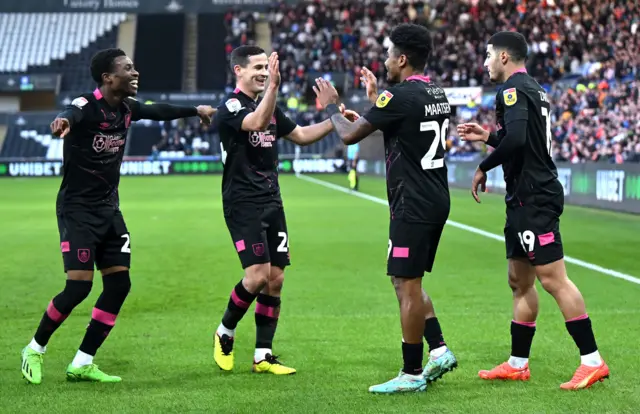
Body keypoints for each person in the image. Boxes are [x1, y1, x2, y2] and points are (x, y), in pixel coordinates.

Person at [20, 48, 216, 384]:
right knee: (78, 286)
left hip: (109, 209)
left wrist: (194, 110)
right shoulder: (87, 105)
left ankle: (82, 361)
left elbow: (159, 111)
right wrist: (62, 121)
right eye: (127, 68)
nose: (135, 72)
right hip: (77, 210)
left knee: (119, 284)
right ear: (108, 78)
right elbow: (72, 113)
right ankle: (34, 349)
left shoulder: (126, 108)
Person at [458, 31, 609, 390]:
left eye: (489, 55)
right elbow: (523, 141)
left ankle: (592, 361)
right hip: (523, 197)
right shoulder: (535, 90)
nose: (485, 62)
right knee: (519, 280)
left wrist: (484, 164)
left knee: (554, 278)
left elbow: (519, 140)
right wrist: (489, 136)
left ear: (505, 57)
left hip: (534, 196)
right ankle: (517, 363)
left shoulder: (511, 90)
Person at [313, 23, 457, 394]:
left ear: (403, 58)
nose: (386, 60)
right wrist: (376, 98)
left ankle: (410, 374)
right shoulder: (434, 92)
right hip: (434, 196)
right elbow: (395, 125)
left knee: (407, 284)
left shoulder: (399, 97)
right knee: (403, 279)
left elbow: (348, 136)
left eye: (390, 53)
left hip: (413, 202)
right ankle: (438, 349)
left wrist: (330, 106)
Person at [212, 46, 355, 375]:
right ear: (239, 71)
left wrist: (334, 122)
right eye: (257, 67)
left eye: (267, 67)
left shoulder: (271, 107)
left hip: (272, 202)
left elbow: (302, 135)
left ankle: (263, 355)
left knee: (275, 280)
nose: (263, 72)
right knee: (257, 276)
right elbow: (256, 121)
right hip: (243, 203)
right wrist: (274, 86)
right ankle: (225, 330)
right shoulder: (231, 106)